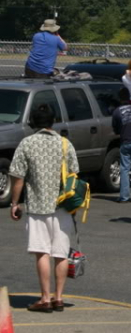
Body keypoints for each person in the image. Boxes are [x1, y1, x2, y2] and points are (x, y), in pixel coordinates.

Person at [9, 104, 78, 312]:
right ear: (52, 121)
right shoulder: (65, 143)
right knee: (61, 253)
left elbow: (18, 176)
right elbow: (75, 173)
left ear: (33, 122)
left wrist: (15, 203)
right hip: (63, 206)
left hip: (38, 206)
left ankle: (45, 298)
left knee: (42, 253)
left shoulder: (27, 143)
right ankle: (59, 297)